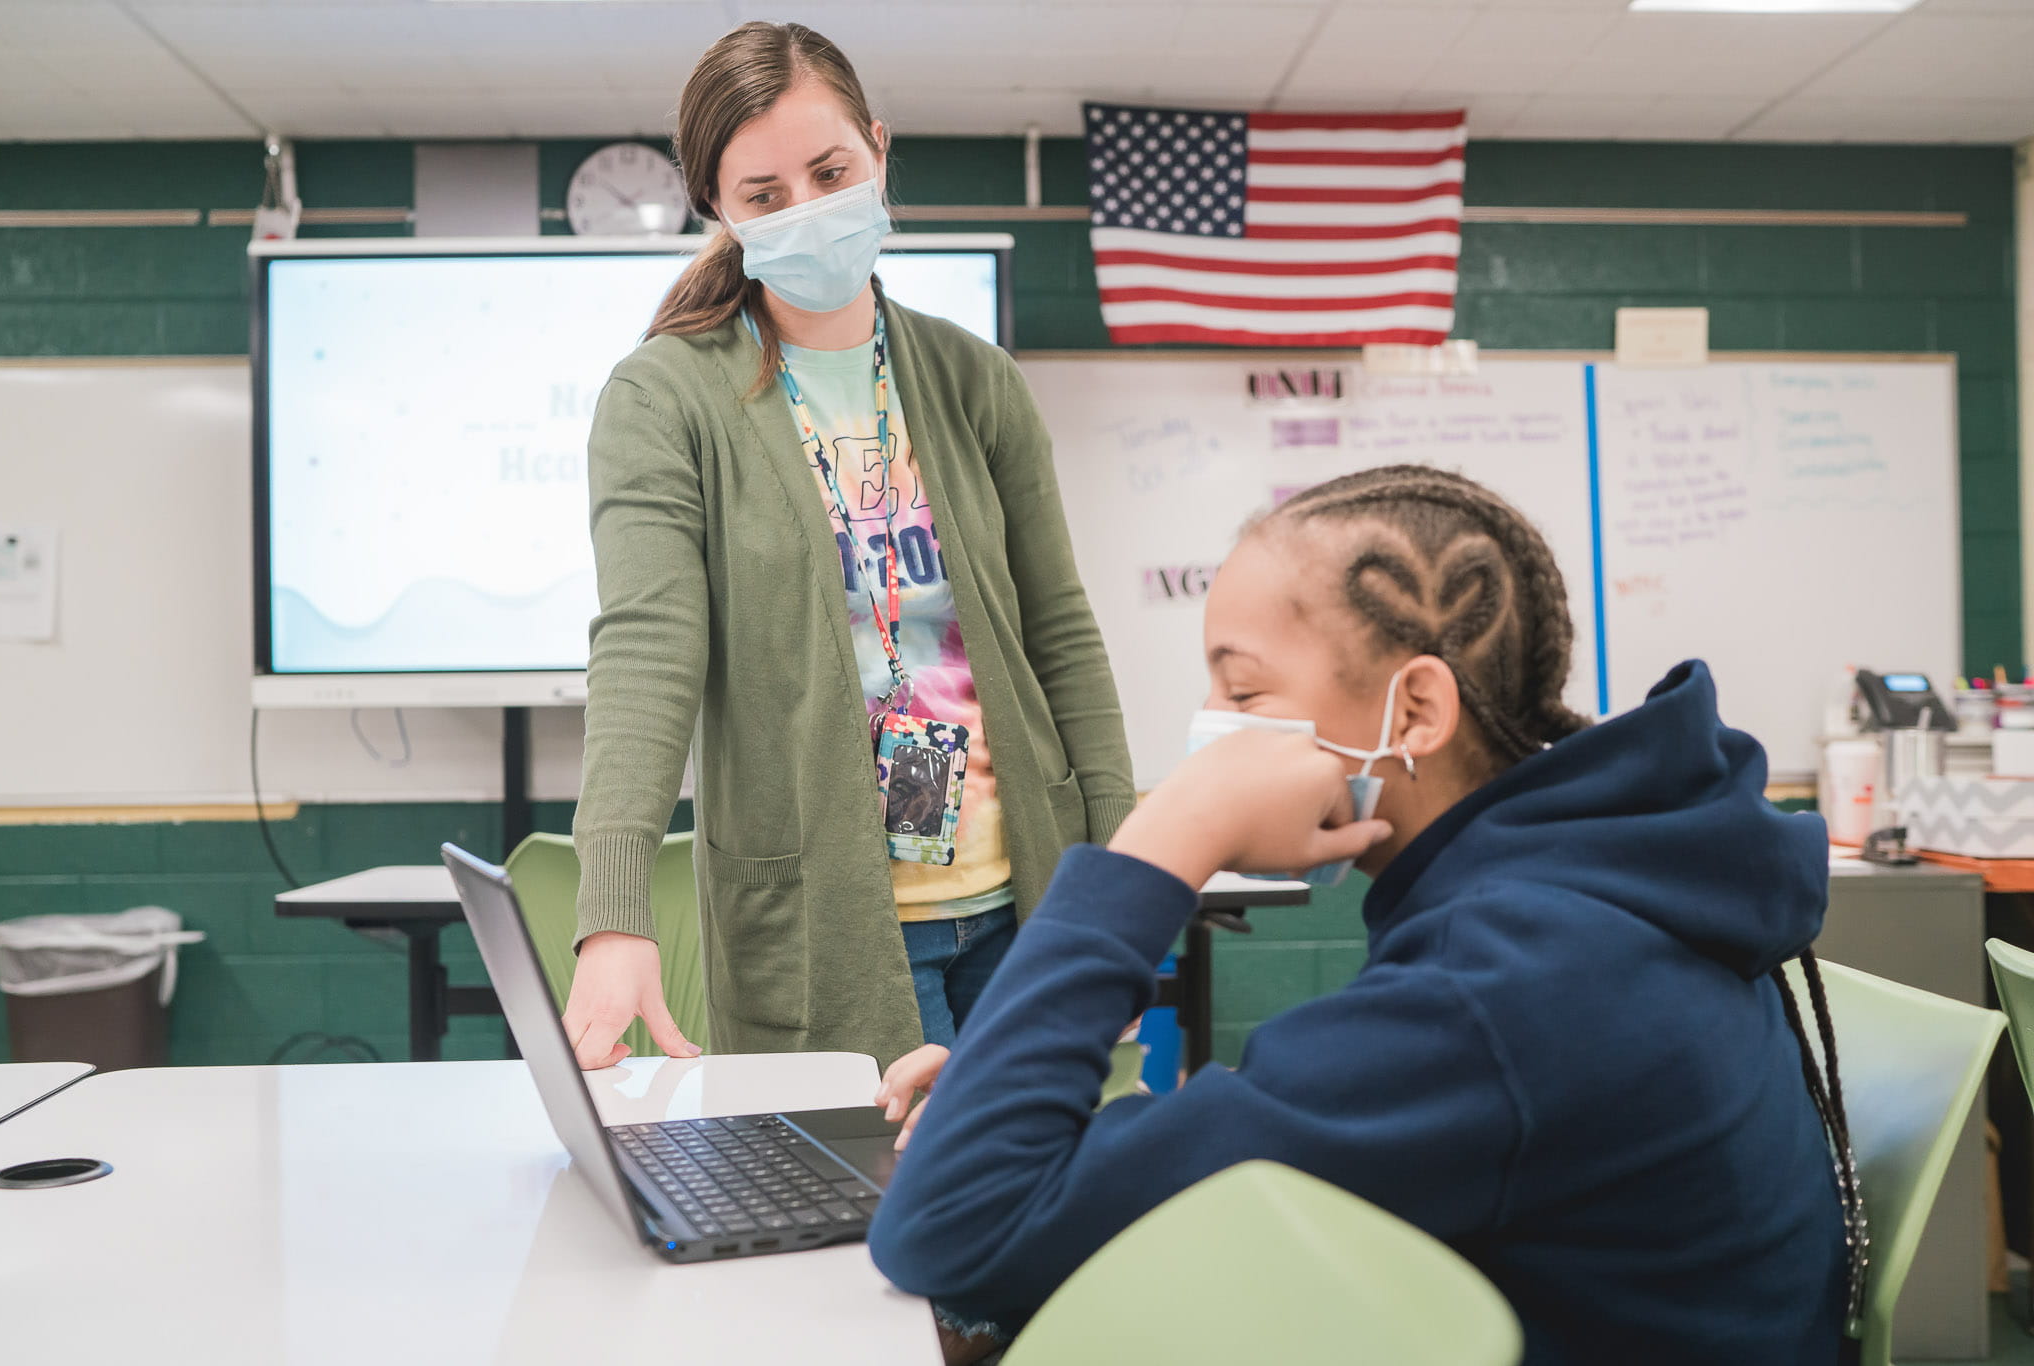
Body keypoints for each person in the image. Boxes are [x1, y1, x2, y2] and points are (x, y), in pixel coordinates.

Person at [869, 466, 1855, 1366]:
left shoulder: (1507, 984)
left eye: (1243, 688)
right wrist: (1009, 1089)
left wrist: (1169, 832)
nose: (1213, 729)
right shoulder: (1570, 894)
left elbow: (956, 1227)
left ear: (1414, 712)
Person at [563, 21, 1134, 1072]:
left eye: (830, 172)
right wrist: (614, 909)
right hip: (829, 922)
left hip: (1030, 905)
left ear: (877, 149)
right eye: (764, 195)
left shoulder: (975, 381)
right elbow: (646, 650)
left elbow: (1058, 632)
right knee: (860, 1222)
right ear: (719, 211)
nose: (808, 211)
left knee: (1023, 1212)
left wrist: (1126, 876)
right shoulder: (664, 397)